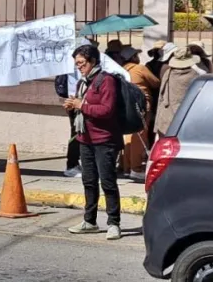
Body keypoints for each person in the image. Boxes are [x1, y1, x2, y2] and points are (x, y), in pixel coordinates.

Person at [63, 44, 123, 241]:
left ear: (93, 61)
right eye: (77, 64)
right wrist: (73, 106)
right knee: (88, 181)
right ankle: (90, 221)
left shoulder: (106, 81)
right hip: (85, 139)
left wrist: (82, 105)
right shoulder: (83, 83)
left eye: (81, 63)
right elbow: (84, 108)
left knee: (108, 182)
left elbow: (107, 110)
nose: (79, 67)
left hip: (105, 140)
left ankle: (114, 223)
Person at [118, 47, 160, 181]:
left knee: (128, 136)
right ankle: (136, 168)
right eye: (136, 55)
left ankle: (126, 167)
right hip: (141, 104)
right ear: (133, 57)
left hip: (126, 105)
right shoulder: (140, 68)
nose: (138, 57)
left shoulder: (120, 70)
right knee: (139, 135)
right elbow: (155, 82)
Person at [154, 47, 201, 140]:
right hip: (186, 120)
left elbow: (161, 97)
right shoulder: (195, 75)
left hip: (166, 120)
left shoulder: (168, 72)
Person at [55, 74, 81, 178]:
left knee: (78, 133)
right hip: (75, 100)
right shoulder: (77, 65)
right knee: (76, 133)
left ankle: (73, 164)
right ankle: (71, 165)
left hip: (74, 99)